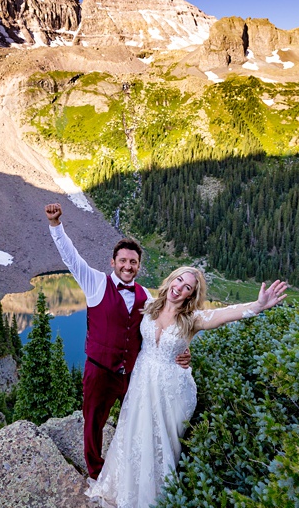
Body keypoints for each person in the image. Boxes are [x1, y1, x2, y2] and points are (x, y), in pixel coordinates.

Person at [86, 266, 289, 508]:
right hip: (142, 380)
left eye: (187, 288)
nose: (179, 288)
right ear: (171, 279)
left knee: (160, 441)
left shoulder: (191, 319)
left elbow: (224, 314)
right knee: (134, 433)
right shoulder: (150, 305)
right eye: (179, 280)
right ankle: (126, 489)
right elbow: (121, 324)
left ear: (190, 295)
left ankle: (154, 497)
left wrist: (256, 306)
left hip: (172, 390)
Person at [45, 203, 190, 479]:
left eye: (133, 262)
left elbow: (165, 326)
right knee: (94, 422)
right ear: (113, 262)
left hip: (133, 373)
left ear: (138, 266)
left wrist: (183, 350)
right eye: (123, 261)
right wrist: (56, 225)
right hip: (99, 370)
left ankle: (131, 470)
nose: (127, 266)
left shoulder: (146, 295)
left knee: (136, 421)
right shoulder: (95, 283)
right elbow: (70, 257)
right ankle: (95, 472)